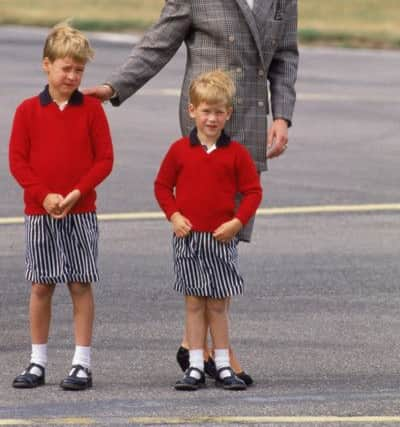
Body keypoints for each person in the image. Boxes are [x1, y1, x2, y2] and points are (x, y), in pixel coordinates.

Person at [85, 0, 298, 383]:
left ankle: (194, 345)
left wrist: (281, 115)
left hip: (246, 118)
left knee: (227, 241)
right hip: (206, 121)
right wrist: (114, 86)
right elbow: (158, 42)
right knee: (204, 234)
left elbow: (285, 55)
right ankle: (220, 351)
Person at [9, 23, 114, 390]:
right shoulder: (26, 111)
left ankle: (81, 363)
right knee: (41, 285)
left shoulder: (92, 111)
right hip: (40, 213)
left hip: (81, 212)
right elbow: (17, 161)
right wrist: (44, 195)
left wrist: (76, 192)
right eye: (66, 68)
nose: (72, 76)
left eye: (79, 70)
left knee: (80, 284)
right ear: (46, 65)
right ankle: (37, 362)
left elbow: (104, 160)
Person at [154, 70, 262, 390]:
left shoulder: (236, 153)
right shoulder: (179, 150)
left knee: (217, 304)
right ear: (192, 111)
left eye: (218, 112)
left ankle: (224, 365)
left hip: (220, 239)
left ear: (228, 114)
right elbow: (162, 186)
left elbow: (253, 191)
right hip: (188, 238)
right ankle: (196, 366)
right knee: (193, 303)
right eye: (206, 111)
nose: (212, 119)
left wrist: (237, 222)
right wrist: (173, 216)